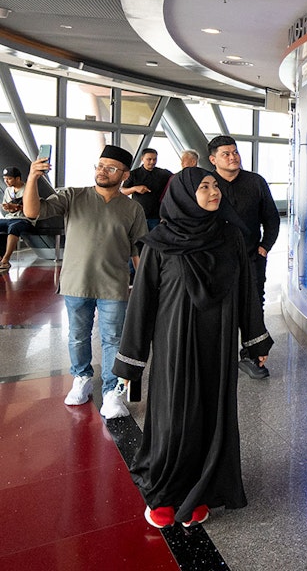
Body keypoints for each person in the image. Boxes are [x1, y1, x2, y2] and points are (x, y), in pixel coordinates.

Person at [113, 168, 273, 528]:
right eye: (204, 187)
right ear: (185, 195)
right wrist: (130, 364)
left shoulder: (231, 236)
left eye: (215, 186)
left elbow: (247, 290)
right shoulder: (159, 242)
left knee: (210, 416)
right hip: (174, 344)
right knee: (174, 415)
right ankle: (165, 491)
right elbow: (142, 305)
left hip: (217, 342)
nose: (214, 191)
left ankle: (201, 491)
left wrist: (255, 341)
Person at [25, 145, 147, 418]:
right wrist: (33, 177)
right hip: (76, 282)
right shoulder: (73, 196)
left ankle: (111, 392)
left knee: (113, 339)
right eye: (100, 165)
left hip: (113, 285)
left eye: (111, 167)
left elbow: (139, 251)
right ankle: (81, 379)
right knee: (78, 336)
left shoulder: (132, 209)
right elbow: (33, 211)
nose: (102, 171)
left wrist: (144, 288)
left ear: (125, 174)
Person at [208, 136, 279, 379]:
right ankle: (218, 356)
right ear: (213, 159)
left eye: (235, 152)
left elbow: (271, 217)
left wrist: (265, 246)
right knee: (218, 306)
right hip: (215, 259)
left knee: (253, 305)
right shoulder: (207, 184)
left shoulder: (255, 182)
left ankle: (252, 355)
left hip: (251, 257)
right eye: (226, 154)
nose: (232, 157)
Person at [122, 148, 173, 230]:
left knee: (155, 241)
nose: (152, 162)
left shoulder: (163, 173)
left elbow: (175, 181)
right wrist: (134, 189)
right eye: (149, 159)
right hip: (139, 216)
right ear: (142, 159)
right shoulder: (134, 174)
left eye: (155, 159)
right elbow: (122, 191)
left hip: (158, 216)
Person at [0, 166, 34, 272]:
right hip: (10, 218)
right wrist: (8, 208)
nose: (6, 181)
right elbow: (10, 210)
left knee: (14, 227)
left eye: (9, 179)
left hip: (25, 219)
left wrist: (16, 207)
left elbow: (33, 209)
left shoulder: (29, 189)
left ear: (18, 178)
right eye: (5, 179)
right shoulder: (8, 190)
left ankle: (6, 259)